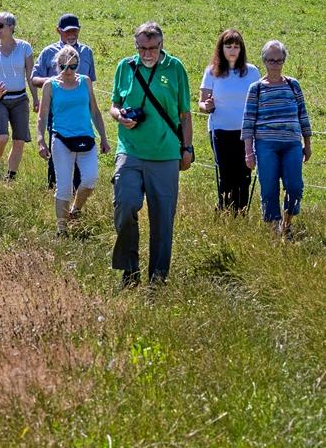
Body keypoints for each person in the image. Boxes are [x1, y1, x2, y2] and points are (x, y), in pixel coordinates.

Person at [109, 22, 193, 288]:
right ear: (136, 46)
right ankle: (129, 270)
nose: (147, 54)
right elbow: (114, 105)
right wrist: (119, 116)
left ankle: (157, 278)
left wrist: (187, 148)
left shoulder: (175, 68)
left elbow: (185, 114)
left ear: (161, 45)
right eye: (142, 48)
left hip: (165, 154)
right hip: (130, 151)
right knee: (124, 205)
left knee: (162, 219)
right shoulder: (125, 67)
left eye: (153, 48)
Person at [36, 45, 110, 235]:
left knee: (90, 180)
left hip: (86, 138)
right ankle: (62, 228)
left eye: (72, 67)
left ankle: (75, 209)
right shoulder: (50, 85)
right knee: (64, 187)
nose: (68, 71)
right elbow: (43, 115)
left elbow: (94, 110)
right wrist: (41, 140)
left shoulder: (85, 82)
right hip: (61, 139)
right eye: (63, 67)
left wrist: (104, 137)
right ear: (57, 66)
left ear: (78, 66)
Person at [242, 40, 312, 237]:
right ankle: (274, 232)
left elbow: (303, 115)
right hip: (266, 145)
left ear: (284, 61)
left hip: (292, 144)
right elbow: (248, 122)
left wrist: (307, 144)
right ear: (264, 61)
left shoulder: (293, 85)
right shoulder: (256, 89)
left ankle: (287, 224)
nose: (275, 64)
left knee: (295, 186)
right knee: (269, 187)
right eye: (271, 60)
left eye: (279, 60)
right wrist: (249, 152)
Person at [32, 13, 97, 189]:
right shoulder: (48, 52)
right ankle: (55, 189)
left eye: (75, 31)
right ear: (58, 31)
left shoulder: (86, 52)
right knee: (58, 153)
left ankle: (76, 191)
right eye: (67, 31)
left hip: (80, 113)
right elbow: (34, 78)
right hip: (56, 110)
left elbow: (90, 82)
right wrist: (54, 83)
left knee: (80, 152)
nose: (72, 35)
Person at [198, 29, 260, 213]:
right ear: (221, 49)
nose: (232, 50)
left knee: (244, 174)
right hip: (220, 130)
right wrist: (207, 106)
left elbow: (259, 100)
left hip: (246, 132)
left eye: (236, 46)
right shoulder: (212, 71)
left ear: (241, 49)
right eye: (228, 46)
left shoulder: (252, 71)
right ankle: (224, 211)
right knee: (226, 173)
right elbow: (201, 103)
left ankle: (241, 212)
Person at [0, 12, 37, 181]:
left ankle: (11, 178)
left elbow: (30, 75)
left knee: (19, 140)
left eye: (0, 26)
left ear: (12, 27)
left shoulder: (24, 47)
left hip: (20, 98)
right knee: (1, 137)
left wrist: (36, 98)